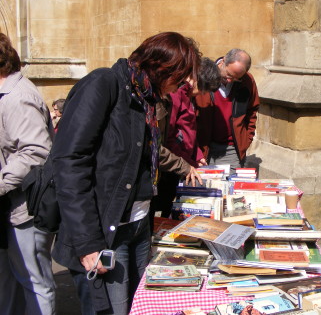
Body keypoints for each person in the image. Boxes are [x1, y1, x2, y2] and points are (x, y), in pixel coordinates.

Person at [51, 32, 201, 314]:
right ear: (161, 68)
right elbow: (69, 162)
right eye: (178, 79)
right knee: (110, 309)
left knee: (140, 305)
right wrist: (87, 245)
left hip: (138, 225)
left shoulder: (146, 99)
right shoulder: (104, 84)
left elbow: (143, 155)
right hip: (105, 232)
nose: (179, 87)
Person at [0, 33, 56, 314]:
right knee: (8, 280)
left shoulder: (18, 97)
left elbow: (35, 151)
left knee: (35, 282)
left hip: (26, 207)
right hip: (10, 206)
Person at [151, 57, 221, 219]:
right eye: (203, 90)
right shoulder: (176, 95)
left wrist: (197, 155)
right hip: (171, 165)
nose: (201, 94)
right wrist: (185, 163)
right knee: (164, 207)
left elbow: (189, 132)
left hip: (182, 163)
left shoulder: (188, 96)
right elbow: (171, 135)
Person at [195, 49, 260, 174]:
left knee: (231, 189)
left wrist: (246, 139)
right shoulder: (203, 76)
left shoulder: (247, 81)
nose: (230, 80)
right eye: (229, 75)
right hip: (203, 146)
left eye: (237, 78)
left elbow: (252, 110)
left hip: (232, 149)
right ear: (223, 61)